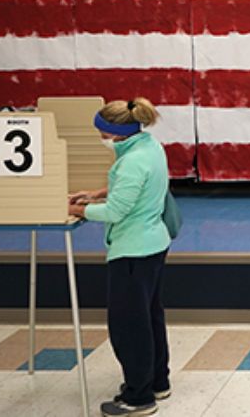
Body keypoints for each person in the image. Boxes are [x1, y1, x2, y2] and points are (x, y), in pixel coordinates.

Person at [68, 98, 172, 417]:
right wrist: (98, 193)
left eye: (102, 134)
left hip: (132, 251)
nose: (101, 139)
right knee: (150, 317)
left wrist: (75, 209)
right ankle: (157, 381)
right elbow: (136, 187)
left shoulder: (130, 162)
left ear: (115, 133)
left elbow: (116, 211)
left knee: (129, 326)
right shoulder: (150, 147)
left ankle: (138, 398)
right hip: (154, 244)